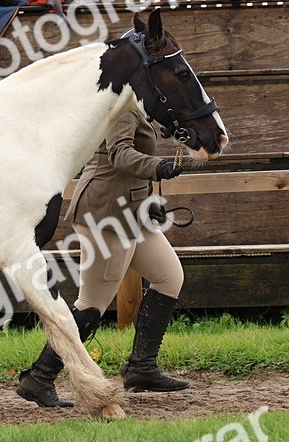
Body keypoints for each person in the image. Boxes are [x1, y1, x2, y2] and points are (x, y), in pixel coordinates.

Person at [15, 109, 190, 407]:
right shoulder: (122, 105)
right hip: (106, 214)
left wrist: (148, 202)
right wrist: (158, 167)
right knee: (91, 304)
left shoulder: (139, 102)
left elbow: (129, 165)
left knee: (169, 277)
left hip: (132, 211)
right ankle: (40, 377)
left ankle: (141, 367)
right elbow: (120, 155)